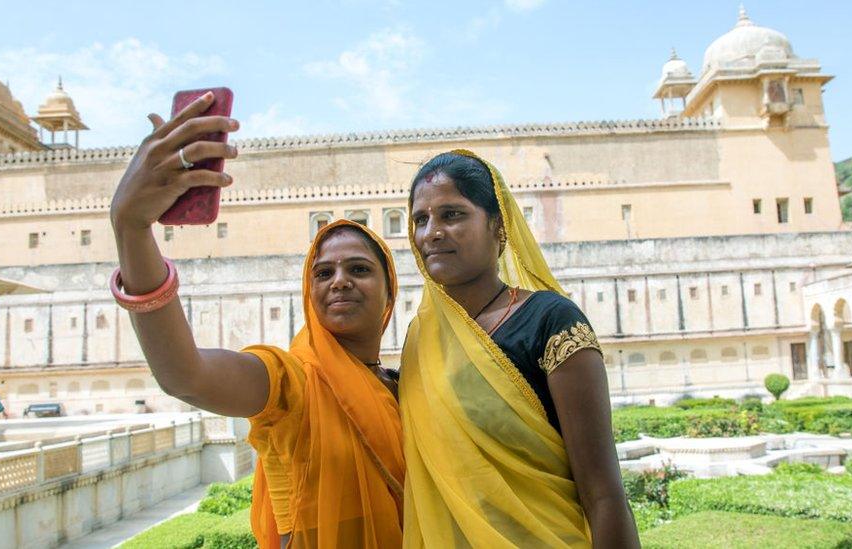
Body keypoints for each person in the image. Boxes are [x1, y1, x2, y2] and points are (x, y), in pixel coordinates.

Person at [109, 92, 404, 548]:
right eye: (323, 273)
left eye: (360, 269)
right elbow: (185, 375)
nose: (339, 281)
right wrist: (130, 227)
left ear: (390, 292)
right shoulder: (292, 381)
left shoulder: (402, 387)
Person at [401, 150, 639, 547]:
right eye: (420, 220)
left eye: (453, 214)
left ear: (498, 225)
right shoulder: (421, 338)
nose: (432, 233)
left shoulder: (550, 321)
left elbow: (603, 494)